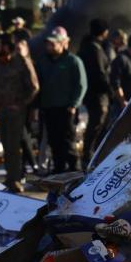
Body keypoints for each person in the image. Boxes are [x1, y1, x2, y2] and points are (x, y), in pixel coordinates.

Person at [0, 34, 39, 193]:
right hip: (2, 110)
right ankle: (10, 177)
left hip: (15, 112)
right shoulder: (1, 62)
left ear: (7, 46)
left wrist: (21, 104)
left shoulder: (21, 61)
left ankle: (16, 179)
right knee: (5, 145)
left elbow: (34, 87)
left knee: (13, 146)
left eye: (0, 45)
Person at [37, 26, 87, 173]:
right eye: (48, 43)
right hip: (48, 107)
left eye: (53, 43)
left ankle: (74, 171)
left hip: (66, 109)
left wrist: (74, 105)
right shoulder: (43, 62)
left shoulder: (73, 61)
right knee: (53, 142)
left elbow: (81, 85)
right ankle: (58, 170)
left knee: (68, 142)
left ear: (62, 44)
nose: (49, 46)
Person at [78, 18, 112, 160]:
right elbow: (100, 74)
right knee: (97, 125)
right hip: (98, 95)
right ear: (103, 32)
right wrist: (111, 91)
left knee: (97, 125)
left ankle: (92, 155)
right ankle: (89, 156)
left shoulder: (87, 46)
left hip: (93, 94)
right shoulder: (95, 49)